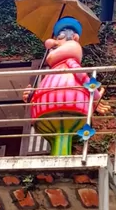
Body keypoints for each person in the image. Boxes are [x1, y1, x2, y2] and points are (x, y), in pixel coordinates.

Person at [22, 16, 102, 156]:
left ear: (75, 38)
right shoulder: (53, 69)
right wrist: (31, 96)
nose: (50, 43)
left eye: (60, 38)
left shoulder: (71, 64)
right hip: (47, 107)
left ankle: (57, 165)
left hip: (71, 106)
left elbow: (84, 79)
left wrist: (96, 97)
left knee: (61, 133)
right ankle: (54, 167)